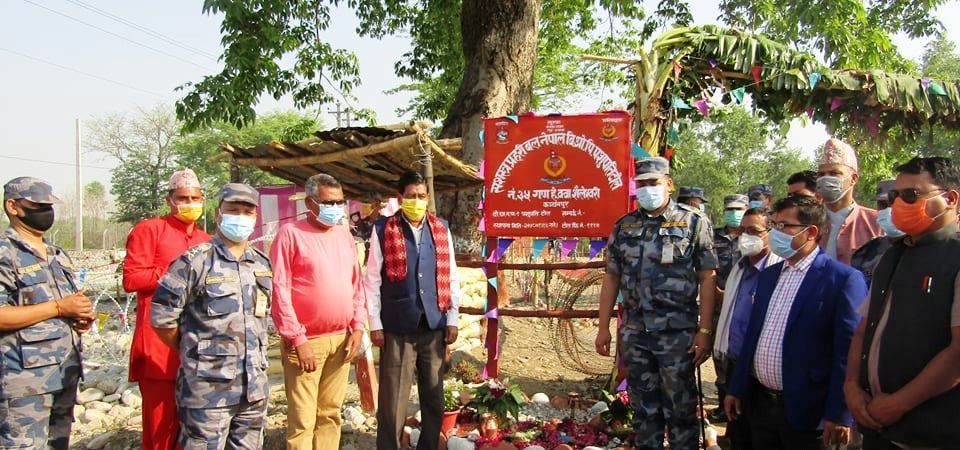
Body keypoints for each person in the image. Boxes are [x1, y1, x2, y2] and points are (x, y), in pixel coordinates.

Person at [725, 195, 867, 450]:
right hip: (761, 406)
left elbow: (848, 353)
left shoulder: (842, 279)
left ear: (811, 231)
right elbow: (753, 337)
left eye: (784, 226)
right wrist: (736, 388)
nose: (776, 233)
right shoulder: (769, 276)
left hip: (809, 412)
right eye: (774, 224)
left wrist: (840, 413)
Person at [595, 157, 718, 450]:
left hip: (677, 335)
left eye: (654, 183)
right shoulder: (624, 227)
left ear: (669, 184)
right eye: (642, 184)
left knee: (681, 410)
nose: (648, 189)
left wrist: (704, 331)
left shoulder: (693, 222)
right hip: (636, 333)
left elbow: (707, 277)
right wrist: (603, 328)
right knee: (643, 410)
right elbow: (611, 279)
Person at [844, 157, 960, 449]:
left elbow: (958, 352)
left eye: (911, 195)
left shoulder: (954, 256)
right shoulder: (892, 256)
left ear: (951, 199)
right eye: (895, 196)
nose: (898, 204)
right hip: (876, 426)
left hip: (929, 432)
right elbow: (864, 328)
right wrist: (852, 387)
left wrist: (898, 404)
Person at [151, 183, 273, 449]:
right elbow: (162, 318)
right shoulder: (194, 262)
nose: (241, 217)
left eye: (247, 211)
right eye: (233, 210)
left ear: (255, 217)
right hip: (207, 390)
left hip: (253, 388)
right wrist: (194, 351)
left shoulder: (262, 263)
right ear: (218, 214)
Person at [365, 171, 461, 450]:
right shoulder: (383, 229)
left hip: (433, 324)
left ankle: (429, 445)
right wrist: (375, 323)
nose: (416, 201)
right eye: (410, 196)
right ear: (400, 198)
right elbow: (372, 279)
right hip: (397, 326)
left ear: (428, 198)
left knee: (433, 396)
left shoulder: (441, 228)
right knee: (393, 398)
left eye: (421, 196)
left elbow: (451, 275)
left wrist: (452, 318)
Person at [271, 174, 366, 450]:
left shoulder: (344, 235)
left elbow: (355, 284)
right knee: (302, 419)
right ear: (311, 203)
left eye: (340, 202)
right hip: (306, 342)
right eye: (329, 202)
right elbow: (280, 288)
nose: (336, 208)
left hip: (342, 339)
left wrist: (358, 328)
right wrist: (298, 339)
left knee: (330, 413)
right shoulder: (291, 234)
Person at [0, 177, 94, 449]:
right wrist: (57, 308)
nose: (46, 212)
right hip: (24, 382)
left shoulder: (56, 254)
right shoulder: (6, 254)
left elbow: (67, 303)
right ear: (13, 207)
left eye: (49, 205)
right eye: (37, 205)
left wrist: (78, 317)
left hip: (64, 373)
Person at [123, 168, 212, 449]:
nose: (189, 203)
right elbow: (132, 278)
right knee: (161, 425)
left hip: (198, 343)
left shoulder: (206, 241)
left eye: (195, 198)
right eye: (182, 198)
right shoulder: (149, 230)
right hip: (159, 345)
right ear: (169, 199)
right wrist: (175, 272)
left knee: (197, 425)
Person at [711, 207, 782, 448]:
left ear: (771, 233)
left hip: (762, 368)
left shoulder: (779, 270)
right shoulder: (739, 269)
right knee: (738, 430)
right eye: (742, 231)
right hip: (735, 361)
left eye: (753, 231)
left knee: (762, 434)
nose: (745, 236)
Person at [815, 138, 881, 264]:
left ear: (853, 178)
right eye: (821, 174)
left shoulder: (875, 223)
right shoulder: (807, 221)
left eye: (834, 173)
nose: (826, 179)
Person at [849, 179, 902, 286]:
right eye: (883, 204)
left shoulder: (924, 251)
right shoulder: (866, 252)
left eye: (893, 204)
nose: (888, 210)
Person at [714, 194, 748, 292]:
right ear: (724, 211)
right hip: (718, 292)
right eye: (730, 209)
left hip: (745, 292)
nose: (734, 212)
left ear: (747, 210)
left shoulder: (753, 236)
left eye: (738, 209)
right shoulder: (712, 235)